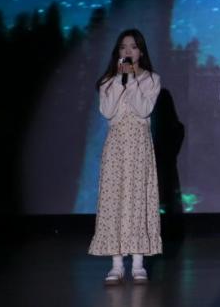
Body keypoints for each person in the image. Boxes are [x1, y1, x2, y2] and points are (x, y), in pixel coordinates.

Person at [88, 29, 163, 285]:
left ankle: (138, 263)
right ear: (118, 52)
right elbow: (107, 112)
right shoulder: (108, 81)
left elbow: (143, 109)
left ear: (141, 51)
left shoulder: (152, 79)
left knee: (138, 200)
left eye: (133, 46)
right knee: (115, 201)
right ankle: (117, 264)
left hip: (139, 147)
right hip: (116, 148)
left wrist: (131, 79)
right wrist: (120, 81)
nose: (128, 51)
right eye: (123, 47)